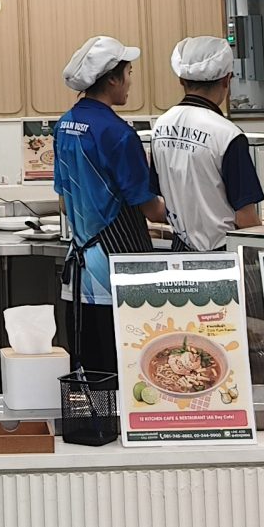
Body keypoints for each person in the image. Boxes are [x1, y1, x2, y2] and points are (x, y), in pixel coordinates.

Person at [50, 35, 166, 378]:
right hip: (119, 268)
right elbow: (150, 209)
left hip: (81, 267)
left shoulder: (65, 124)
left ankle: (94, 414)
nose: (130, 82)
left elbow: (63, 199)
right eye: (128, 74)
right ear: (112, 79)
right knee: (128, 367)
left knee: (90, 369)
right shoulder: (118, 133)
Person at [148, 36, 264, 250]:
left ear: (181, 80)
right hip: (223, 252)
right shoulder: (227, 134)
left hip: (180, 248)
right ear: (226, 80)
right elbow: (245, 217)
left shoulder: (160, 126)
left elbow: (159, 197)